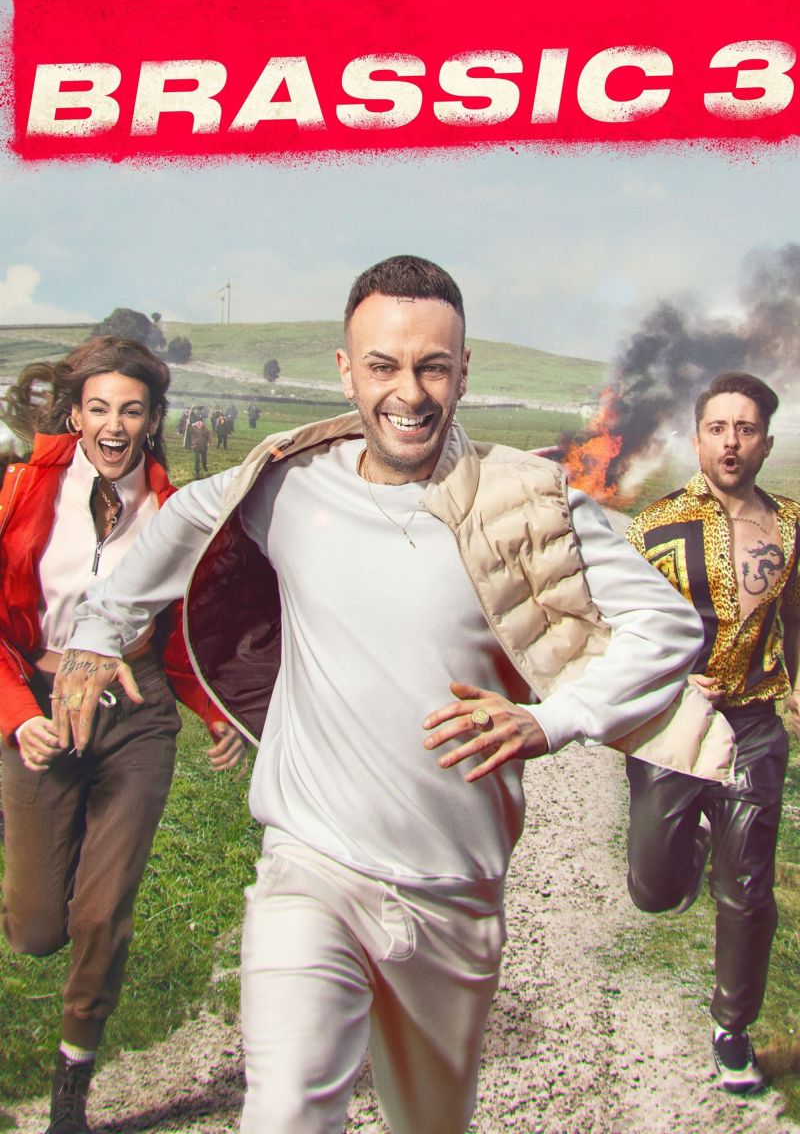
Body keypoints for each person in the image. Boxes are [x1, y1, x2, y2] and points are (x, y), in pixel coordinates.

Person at [55, 256, 733, 1134]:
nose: (407, 393)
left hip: (456, 894)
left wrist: (552, 720)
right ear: (347, 371)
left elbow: (666, 625)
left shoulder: (527, 500)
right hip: (310, 867)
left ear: (463, 371)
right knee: (285, 1111)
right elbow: (185, 518)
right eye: (383, 366)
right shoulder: (286, 483)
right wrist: (98, 629)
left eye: (432, 367)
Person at [0, 337, 246, 1134]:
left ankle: (71, 1090)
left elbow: (185, 628)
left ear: (152, 420)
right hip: (41, 712)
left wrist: (213, 709)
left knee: (103, 912)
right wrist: (19, 716)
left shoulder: (175, 512)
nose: (114, 426)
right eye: (99, 408)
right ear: (74, 415)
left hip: (135, 719)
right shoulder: (22, 489)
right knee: (37, 929)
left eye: (131, 411)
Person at [625, 372, 800, 1096]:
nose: (732, 442)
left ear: (766, 443)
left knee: (748, 889)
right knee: (653, 890)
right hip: (674, 726)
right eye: (718, 428)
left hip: (754, 724)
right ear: (697, 439)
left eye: (746, 429)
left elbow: (797, 612)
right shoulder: (652, 528)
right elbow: (617, 630)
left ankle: (733, 1031)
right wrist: (667, 683)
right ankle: (690, 853)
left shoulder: (792, 525)